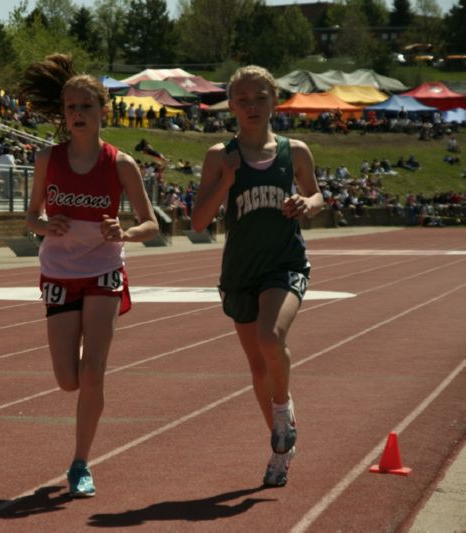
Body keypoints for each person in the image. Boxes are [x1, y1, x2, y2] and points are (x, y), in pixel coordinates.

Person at [18, 53, 158, 498]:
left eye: (86, 107)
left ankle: (80, 462)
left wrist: (127, 232)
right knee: (68, 380)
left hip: (103, 268)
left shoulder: (120, 165)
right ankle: (80, 378)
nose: (77, 115)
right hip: (59, 269)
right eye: (71, 108)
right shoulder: (48, 159)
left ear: (103, 112)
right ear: (63, 114)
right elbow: (31, 215)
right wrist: (45, 226)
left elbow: (152, 223)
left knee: (93, 373)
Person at [190, 65, 323, 488]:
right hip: (240, 272)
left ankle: (284, 413)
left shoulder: (295, 151)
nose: (251, 106)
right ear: (231, 105)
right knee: (257, 367)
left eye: (259, 98)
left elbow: (317, 194)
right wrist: (226, 180)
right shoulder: (219, 155)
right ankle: (281, 447)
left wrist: (308, 204)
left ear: (274, 102)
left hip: (284, 264)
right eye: (242, 99)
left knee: (271, 338)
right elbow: (197, 222)